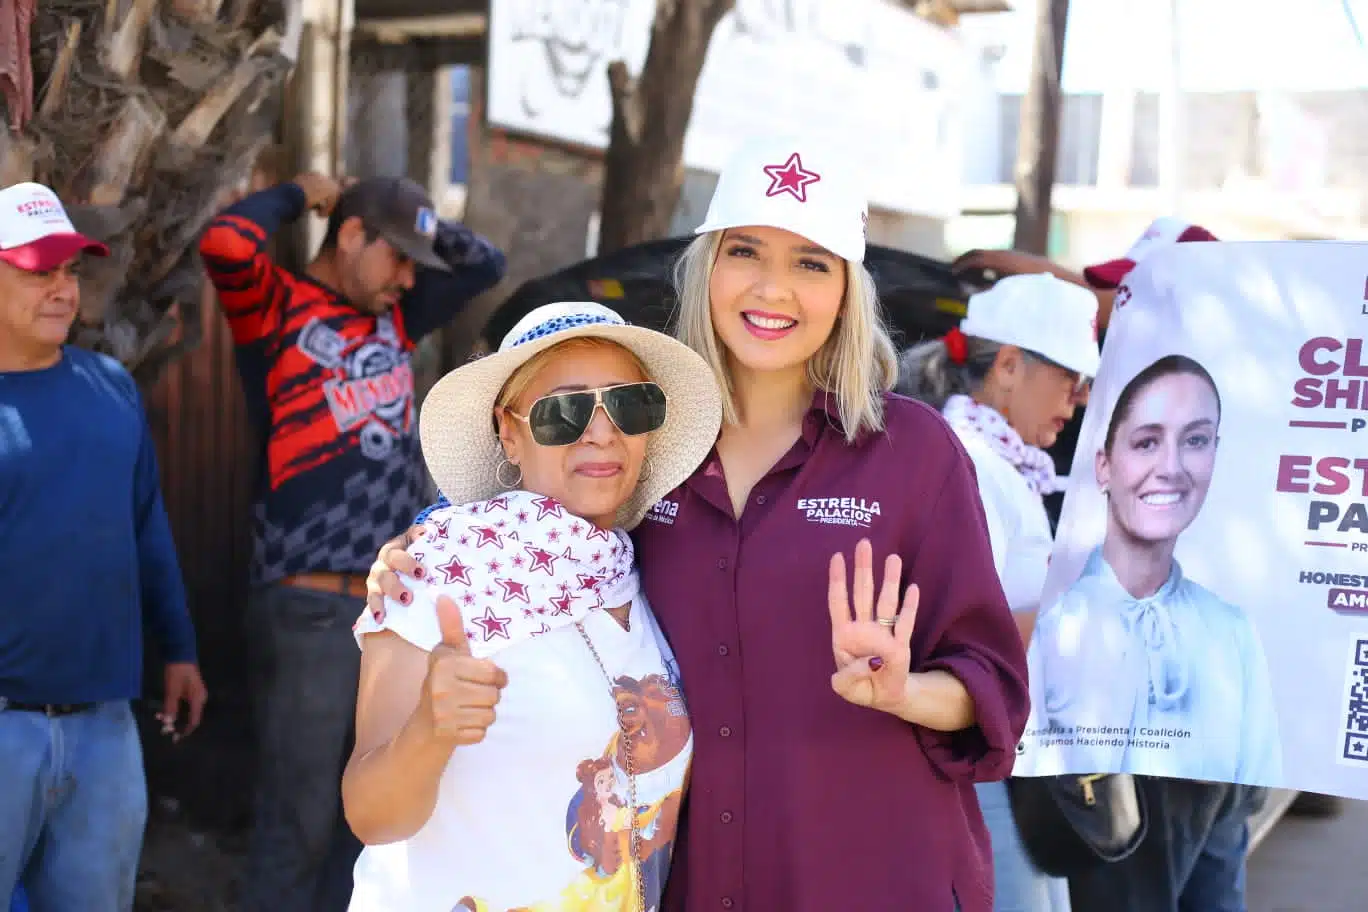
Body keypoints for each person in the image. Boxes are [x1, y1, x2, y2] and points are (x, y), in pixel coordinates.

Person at [366, 136, 1031, 911]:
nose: (773, 289)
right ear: (706, 268)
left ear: (848, 293)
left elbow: (993, 683)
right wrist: (424, 551)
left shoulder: (912, 453)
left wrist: (905, 692)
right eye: (745, 251)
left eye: (811, 263)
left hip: (875, 876)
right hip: (696, 882)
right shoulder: (651, 450)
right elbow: (535, 531)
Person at [342, 301, 720, 910]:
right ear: (510, 434)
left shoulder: (643, 569)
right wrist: (430, 731)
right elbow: (371, 816)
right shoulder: (438, 566)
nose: (602, 432)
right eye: (563, 413)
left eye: (628, 405)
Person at [198, 173, 506, 910]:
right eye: (394, 255)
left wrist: (416, 225)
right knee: (297, 822)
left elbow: (486, 266)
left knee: (370, 827)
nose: (407, 278)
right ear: (348, 237)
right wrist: (307, 193)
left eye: (415, 264)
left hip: (388, 614)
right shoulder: (275, 310)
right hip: (308, 602)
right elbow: (222, 243)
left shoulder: (395, 319)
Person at [0, 182, 207, 908]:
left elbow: (146, 525)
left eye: (68, 270)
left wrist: (178, 648)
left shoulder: (111, 387)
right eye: (37, 270)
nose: (61, 288)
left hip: (105, 728)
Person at [897, 271, 1100, 912]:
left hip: (1010, 757)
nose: (1079, 398)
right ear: (1009, 365)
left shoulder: (1002, 464)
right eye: (1070, 378)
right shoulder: (971, 464)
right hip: (984, 767)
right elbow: (960, 640)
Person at [1027, 355, 1281, 785]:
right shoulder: (1048, 618)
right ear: (1104, 465)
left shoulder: (1233, 632)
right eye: (1146, 442)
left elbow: (1247, 796)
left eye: (1195, 441)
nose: (1170, 468)